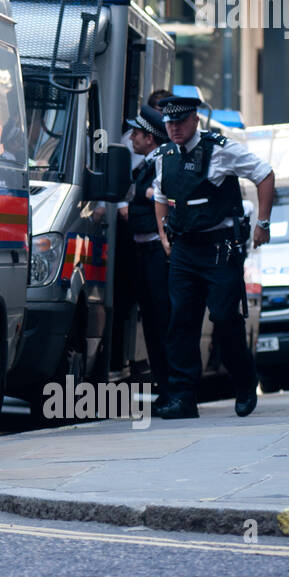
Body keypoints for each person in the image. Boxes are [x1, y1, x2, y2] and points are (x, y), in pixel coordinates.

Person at [152, 94, 275, 419]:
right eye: (169, 123)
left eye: (180, 122)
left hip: (219, 249)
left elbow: (264, 174)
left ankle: (246, 382)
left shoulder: (219, 149)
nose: (174, 128)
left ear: (195, 121)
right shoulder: (164, 155)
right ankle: (183, 398)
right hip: (184, 250)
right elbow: (161, 196)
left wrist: (262, 223)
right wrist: (164, 235)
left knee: (224, 320)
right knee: (181, 322)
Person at [118, 105, 171, 405]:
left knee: (161, 321)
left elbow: (163, 196)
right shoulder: (146, 164)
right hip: (143, 250)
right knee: (151, 322)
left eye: (136, 133)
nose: (132, 138)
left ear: (150, 138)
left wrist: (148, 194)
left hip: (155, 251)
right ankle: (164, 388)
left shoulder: (161, 162)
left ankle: (172, 389)